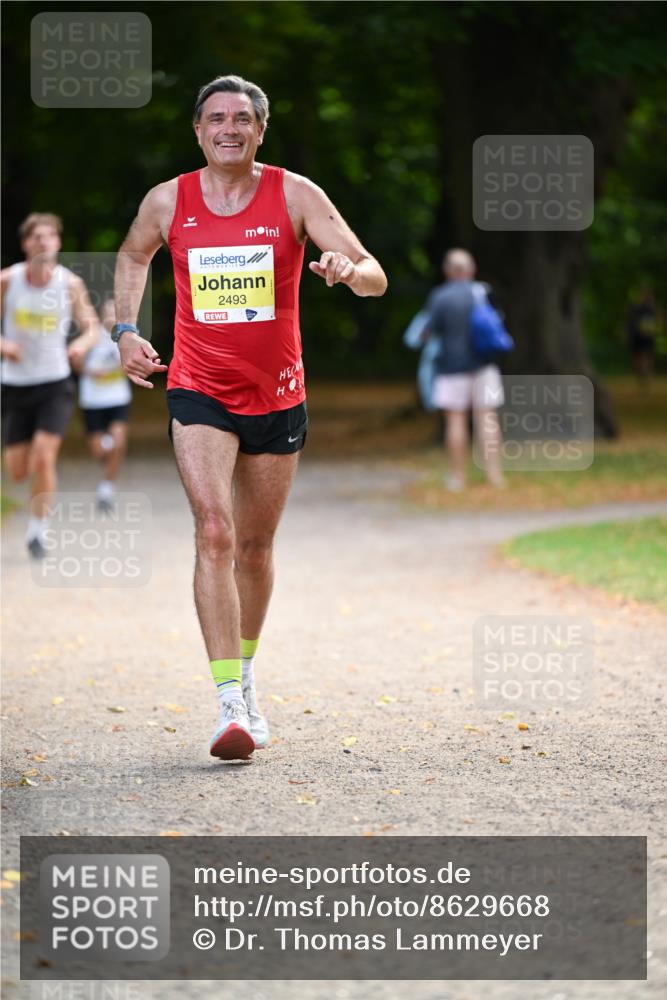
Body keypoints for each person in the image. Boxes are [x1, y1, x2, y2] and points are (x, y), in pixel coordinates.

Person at [113, 75, 387, 761]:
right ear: (198, 131)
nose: (228, 128)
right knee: (213, 531)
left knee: (256, 549)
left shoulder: (295, 194)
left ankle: (248, 668)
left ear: (260, 130)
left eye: (242, 118)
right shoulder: (167, 200)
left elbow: (373, 271)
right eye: (215, 118)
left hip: (277, 394)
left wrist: (346, 273)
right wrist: (124, 329)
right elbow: (132, 253)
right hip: (197, 387)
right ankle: (228, 703)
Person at [1, 213, 100, 558]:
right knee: (16, 471)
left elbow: (91, 326)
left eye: (49, 236)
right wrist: (4, 345)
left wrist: (81, 346)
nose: (42, 241)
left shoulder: (69, 284)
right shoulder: (8, 280)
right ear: (25, 243)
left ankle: (37, 530)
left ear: (58, 243)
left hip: (54, 383)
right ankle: (32, 500)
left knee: (44, 457)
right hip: (15, 385)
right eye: (35, 236)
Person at [422, 248, 505, 491]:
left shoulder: (440, 297)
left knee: (455, 421)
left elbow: (428, 332)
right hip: (484, 365)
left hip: (451, 368)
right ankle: (495, 476)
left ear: (447, 271)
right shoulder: (483, 292)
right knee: (488, 418)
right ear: (471, 270)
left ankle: (458, 478)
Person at [77, 297, 132, 512]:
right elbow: (75, 361)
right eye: (108, 312)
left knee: (119, 443)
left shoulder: (127, 337)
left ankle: (106, 488)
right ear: (101, 315)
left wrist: (126, 367)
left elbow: (135, 363)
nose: (111, 317)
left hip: (118, 399)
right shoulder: (92, 336)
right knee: (99, 452)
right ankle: (106, 449)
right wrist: (91, 371)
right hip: (92, 401)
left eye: (115, 313)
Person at [627, 286, 658, 387]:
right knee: (642, 357)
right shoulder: (646, 309)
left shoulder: (642, 309)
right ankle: (643, 376)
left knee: (643, 357)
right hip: (642, 337)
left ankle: (643, 376)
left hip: (644, 337)